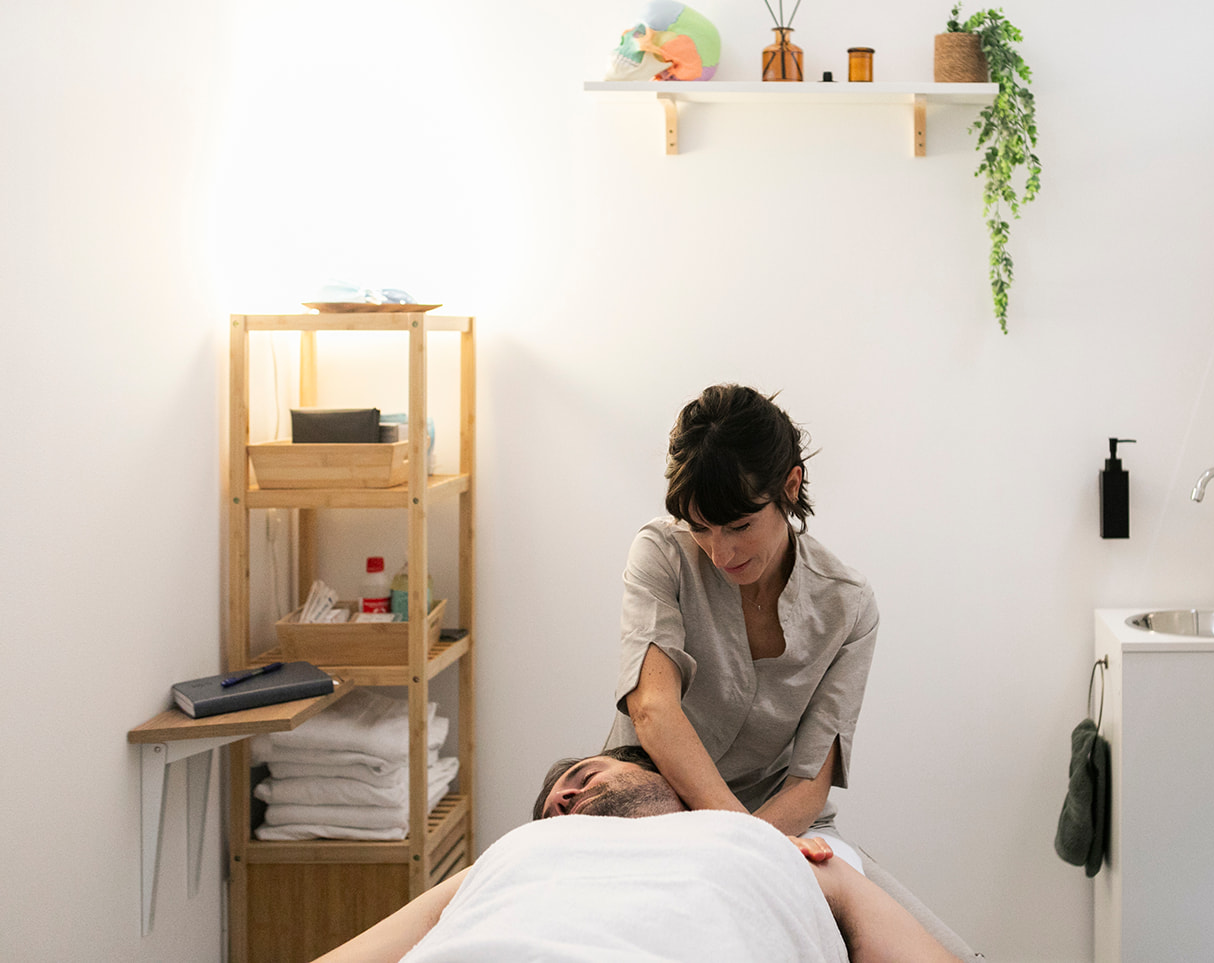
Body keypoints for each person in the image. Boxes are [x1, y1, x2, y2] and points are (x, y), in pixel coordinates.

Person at [607, 385, 977, 959]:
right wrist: (741, 846)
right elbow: (653, 710)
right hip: (651, 805)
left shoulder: (848, 605)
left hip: (787, 824)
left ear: (790, 486)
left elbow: (809, 783)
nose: (719, 553)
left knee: (946, 951)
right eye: (701, 528)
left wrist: (757, 845)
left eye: (738, 526)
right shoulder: (662, 552)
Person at [312, 750, 958, 963]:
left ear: (661, 776)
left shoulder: (775, 846)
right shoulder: (514, 853)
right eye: (554, 804)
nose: (563, 796)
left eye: (584, 775)